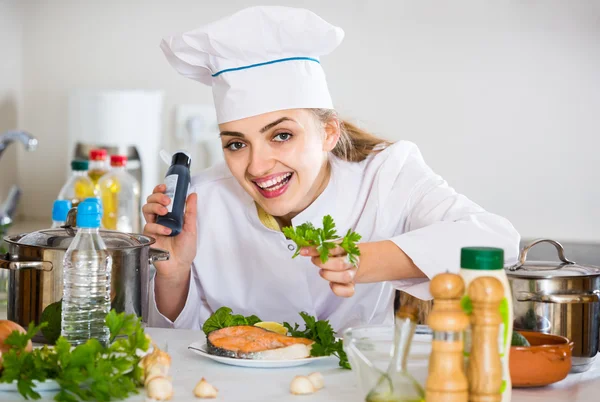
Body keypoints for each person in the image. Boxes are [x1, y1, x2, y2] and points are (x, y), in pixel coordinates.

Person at [144, 6, 520, 332]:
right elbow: (178, 348)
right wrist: (174, 273)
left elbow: (498, 241)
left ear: (328, 132)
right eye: (237, 144)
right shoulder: (201, 200)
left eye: (281, 135)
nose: (257, 166)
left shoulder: (387, 175)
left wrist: (362, 260)